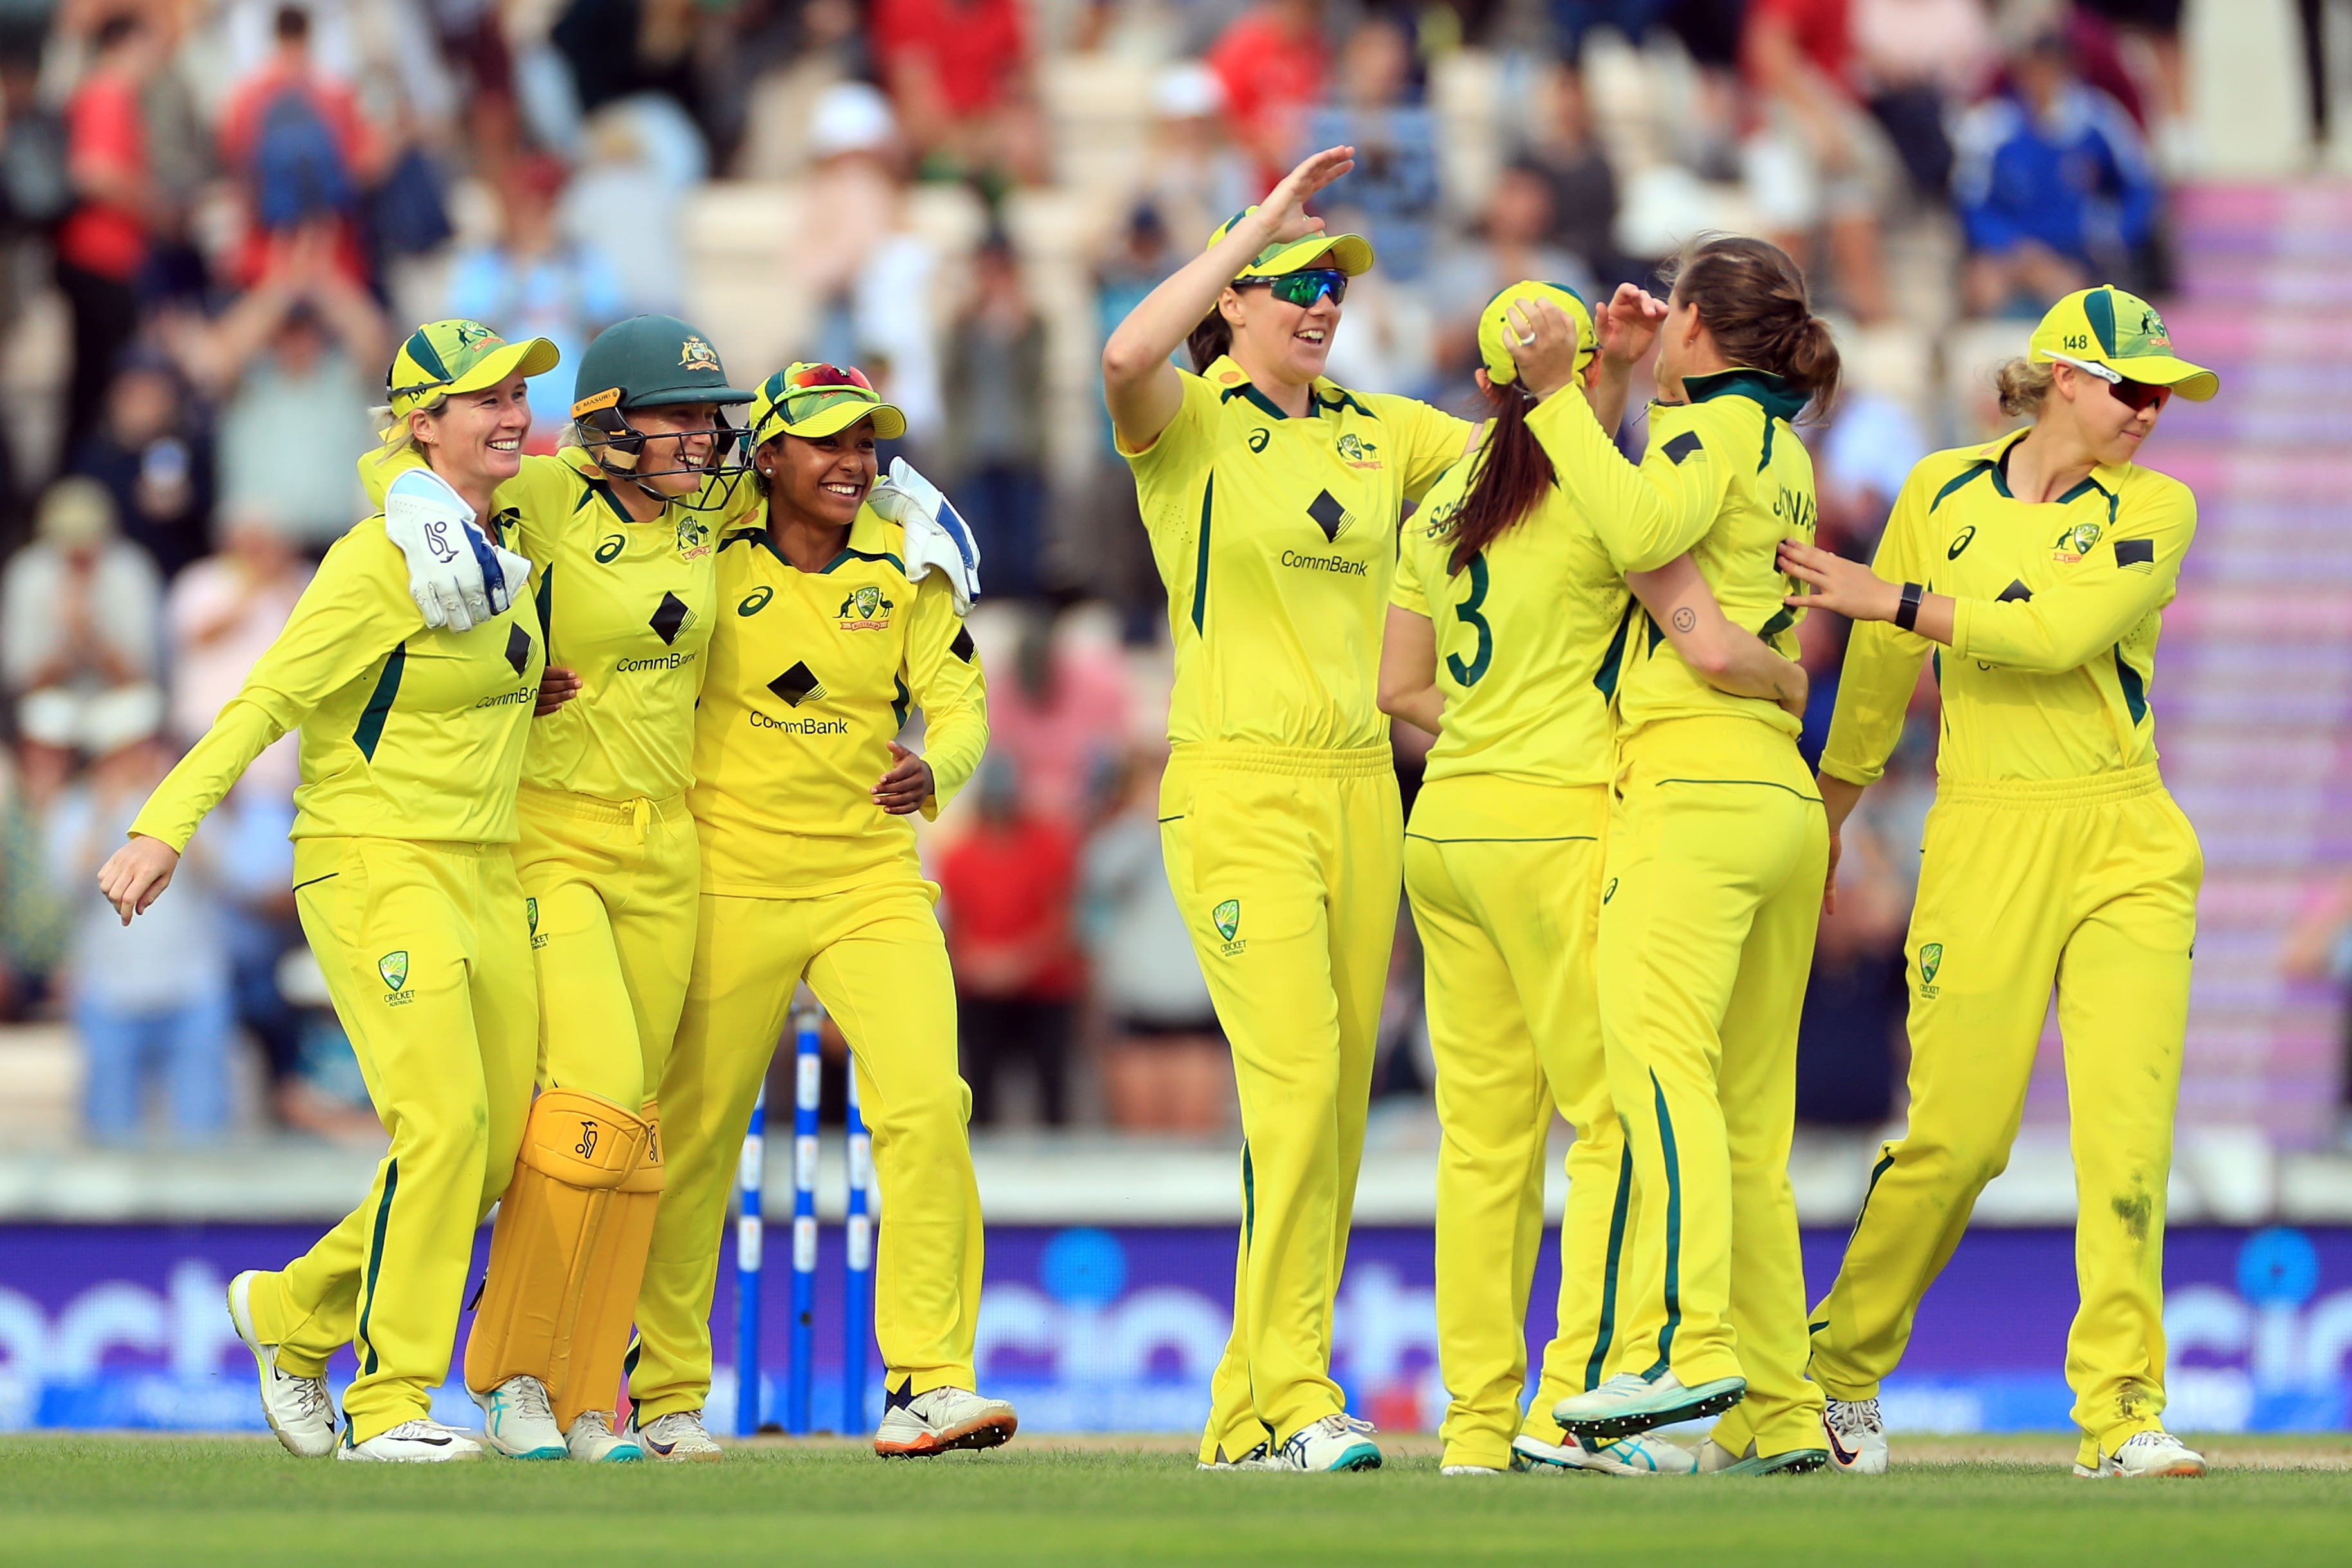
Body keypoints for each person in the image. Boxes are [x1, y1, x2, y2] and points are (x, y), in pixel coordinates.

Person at [95, 319, 555, 1462]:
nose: (511, 413)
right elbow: (263, 701)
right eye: (482, 399)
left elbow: (471, 679)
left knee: (492, 1154)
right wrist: (163, 824)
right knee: (444, 1125)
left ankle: (295, 1313)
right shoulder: (372, 560)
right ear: (420, 425)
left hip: (487, 867)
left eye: (516, 393)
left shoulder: (499, 546)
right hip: (372, 862)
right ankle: (389, 1400)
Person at [1778, 285, 2218, 1481]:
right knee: (1957, 1140)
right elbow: (1872, 666)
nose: (2148, 412)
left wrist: (1893, 596)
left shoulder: (2156, 506)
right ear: (2063, 378)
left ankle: (2121, 1410)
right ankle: (1836, 1369)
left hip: (2123, 836)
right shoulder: (1938, 490)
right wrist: (1828, 811)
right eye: (2130, 387)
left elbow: (2057, 634)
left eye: (2161, 394)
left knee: (2125, 1145)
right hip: (1982, 833)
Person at [1377, 281, 1809, 1479]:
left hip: (1448, 823)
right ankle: (1570, 1399)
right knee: (1617, 1115)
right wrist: (1778, 677)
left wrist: (1494, 722)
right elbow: (1675, 595)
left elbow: (1397, 687)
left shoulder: (1439, 507)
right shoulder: (1597, 493)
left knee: (1479, 1146)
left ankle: (1471, 1425)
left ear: (1478, 387)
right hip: (1563, 821)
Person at [1099, 145, 1476, 1473]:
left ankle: (1244, 1417)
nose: (1318, 301)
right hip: (1236, 785)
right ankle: (1291, 1389)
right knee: (1299, 1083)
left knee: (1333, 1102)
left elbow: (1523, 466)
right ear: (1234, 303)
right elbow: (1117, 357)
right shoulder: (1187, 420)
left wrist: (1589, 370)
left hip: (1361, 785)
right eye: (1289, 282)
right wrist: (1247, 224)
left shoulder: (1381, 430)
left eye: (1330, 282)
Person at [357, 312, 759, 1463]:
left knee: (633, 1131)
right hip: (554, 836)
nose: (701, 436)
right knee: (589, 1099)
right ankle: (513, 1374)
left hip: (667, 848)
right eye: (677, 416)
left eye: (707, 415)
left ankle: (592, 1396)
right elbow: (411, 458)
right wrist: (417, 505)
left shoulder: (711, 505)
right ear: (608, 425)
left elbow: (800, 455)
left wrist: (902, 490)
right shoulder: (539, 493)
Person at [624, 361, 1009, 1461]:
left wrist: (938, 769)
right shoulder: (710, 530)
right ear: (772, 452)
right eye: (828, 443)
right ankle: (665, 1395)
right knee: (696, 1137)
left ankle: (929, 1379)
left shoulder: (904, 554)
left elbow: (960, 698)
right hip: (725, 873)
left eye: (867, 444)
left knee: (928, 1106)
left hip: (868, 875)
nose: (854, 463)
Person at [1539, 235, 1840, 1475]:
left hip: (1692, 787)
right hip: (1777, 799)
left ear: (1702, 330)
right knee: (1745, 1118)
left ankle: (1685, 1347)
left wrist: (1561, 394)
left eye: (1671, 308)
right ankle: (1778, 1411)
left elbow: (1640, 531)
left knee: (1659, 1075)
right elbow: (1726, 612)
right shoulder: (1788, 450)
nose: (1654, 322)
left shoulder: (1702, 434)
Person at [52, 687, 236, 1145]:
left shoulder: (193, 804)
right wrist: (105, 808)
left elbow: (226, 875)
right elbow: (66, 882)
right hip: (110, 996)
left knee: (204, 1145)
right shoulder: (76, 810)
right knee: (111, 1153)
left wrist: (174, 817)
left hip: (193, 990)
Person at [940, 755, 1082, 1127]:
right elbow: (954, 928)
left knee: (1053, 1086)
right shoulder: (960, 855)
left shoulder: (1048, 844)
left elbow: (1062, 921)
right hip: (981, 987)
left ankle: (1059, 1162)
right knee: (979, 1085)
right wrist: (980, 966)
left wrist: (1015, 965)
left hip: (1044, 988)